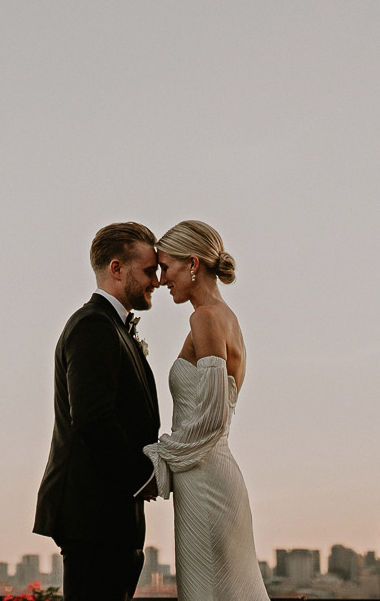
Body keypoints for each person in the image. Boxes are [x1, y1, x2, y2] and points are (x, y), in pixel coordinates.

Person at [34, 222, 163, 601]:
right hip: (93, 514)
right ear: (117, 268)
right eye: (148, 271)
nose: (156, 281)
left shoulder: (115, 328)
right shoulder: (93, 326)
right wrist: (145, 476)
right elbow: (92, 419)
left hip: (112, 513)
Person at [143, 220, 269, 601]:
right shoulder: (217, 316)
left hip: (206, 481)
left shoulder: (207, 318)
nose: (162, 279)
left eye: (166, 267)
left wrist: (159, 459)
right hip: (202, 475)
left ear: (192, 263)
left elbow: (213, 418)